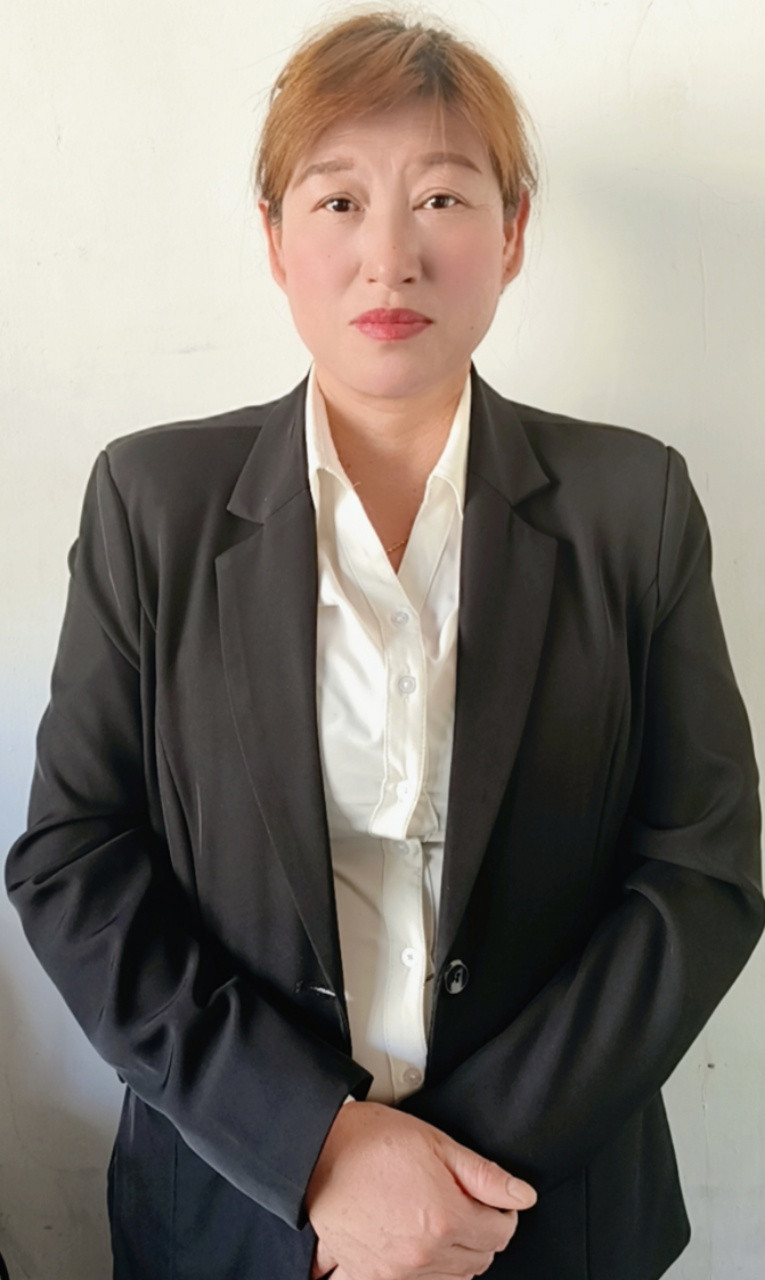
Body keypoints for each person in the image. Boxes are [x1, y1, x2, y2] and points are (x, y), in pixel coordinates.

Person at [5, 10, 763, 1280]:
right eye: (340, 200)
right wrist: (319, 1149)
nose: (390, 257)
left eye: (444, 198)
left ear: (512, 233)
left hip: (546, 1214)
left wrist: (446, 1182)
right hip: (239, 1214)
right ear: (275, 239)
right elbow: (75, 859)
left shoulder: (634, 505)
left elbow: (704, 867)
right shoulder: (153, 501)